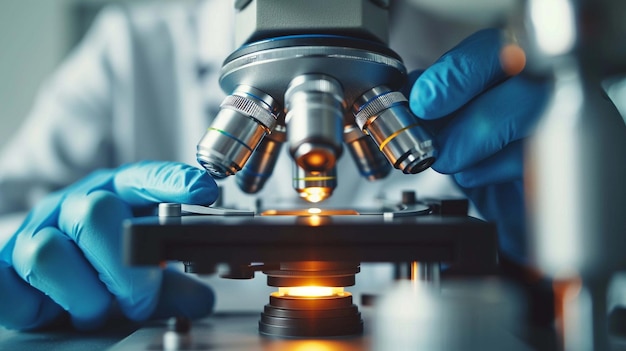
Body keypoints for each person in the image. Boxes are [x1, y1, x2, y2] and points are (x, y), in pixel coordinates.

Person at [0, 0, 549, 331]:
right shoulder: (129, 50)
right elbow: (10, 216)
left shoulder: (491, 58)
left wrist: (584, 196)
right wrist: (41, 252)